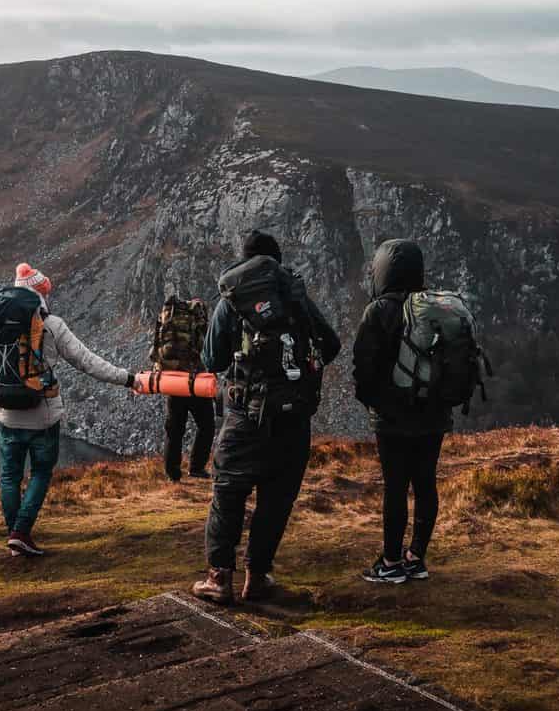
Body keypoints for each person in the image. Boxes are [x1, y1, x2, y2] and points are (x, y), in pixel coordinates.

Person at [192, 230, 341, 605]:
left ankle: (219, 578)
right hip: (294, 416)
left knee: (228, 493)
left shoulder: (233, 299)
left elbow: (213, 361)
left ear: (244, 260)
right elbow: (332, 344)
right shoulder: (294, 293)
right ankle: (257, 577)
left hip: (245, 416)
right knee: (276, 500)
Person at [0, 262, 135, 557]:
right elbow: (87, 361)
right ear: (40, 295)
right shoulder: (51, 325)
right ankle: (21, 532)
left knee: (9, 475)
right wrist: (127, 379)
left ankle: (14, 534)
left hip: (6, 416)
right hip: (43, 415)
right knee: (41, 473)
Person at [352, 238, 450, 584]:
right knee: (426, 482)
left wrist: (376, 403)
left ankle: (391, 562)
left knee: (395, 486)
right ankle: (416, 558)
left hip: (392, 419)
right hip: (434, 415)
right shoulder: (436, 307)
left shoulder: (379, 311)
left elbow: (362, 366)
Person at [151, 296, 213, 481]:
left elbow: (156, 345)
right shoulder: (198, 317)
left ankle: (172, 474)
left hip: (172, 379)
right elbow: (205, 347)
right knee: (206, 425)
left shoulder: (167, 315)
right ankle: (196, 467)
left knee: (174, 429)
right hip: (194, 380)